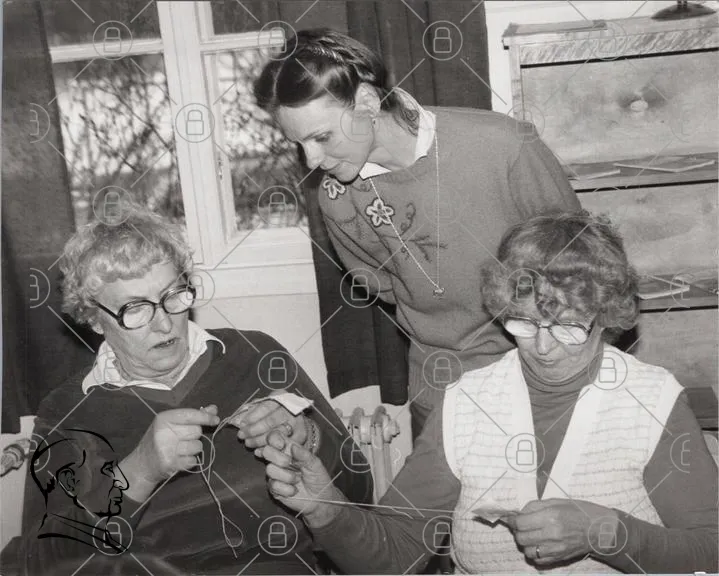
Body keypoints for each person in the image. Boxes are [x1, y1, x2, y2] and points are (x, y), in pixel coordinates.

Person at [261, 211, 719, 574]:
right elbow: (395, 555)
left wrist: (607, 532)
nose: (543, 348)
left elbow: (710, 550)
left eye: (568, 326)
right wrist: (326, 510)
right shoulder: (467, 403)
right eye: (525, 323)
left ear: (606, 317)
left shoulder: (651, 401)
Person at [7, 203, 372, 576]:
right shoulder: (67, 410)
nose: (165, 324)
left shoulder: (256, 356)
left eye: (173, 295)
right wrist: (138, 473)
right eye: (135, 309)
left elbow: (361, 493)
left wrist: (308, 437)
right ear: (94, 319)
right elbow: (41, 565)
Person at [255, 28, 581, 438]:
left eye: (321, 137)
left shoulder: (504, 145)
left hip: (544, 371)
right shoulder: (336, 198)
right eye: (299, 144)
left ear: (367, 102)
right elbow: (384, 286)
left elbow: (582, 264)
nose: (312, 160)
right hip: (440, 387)